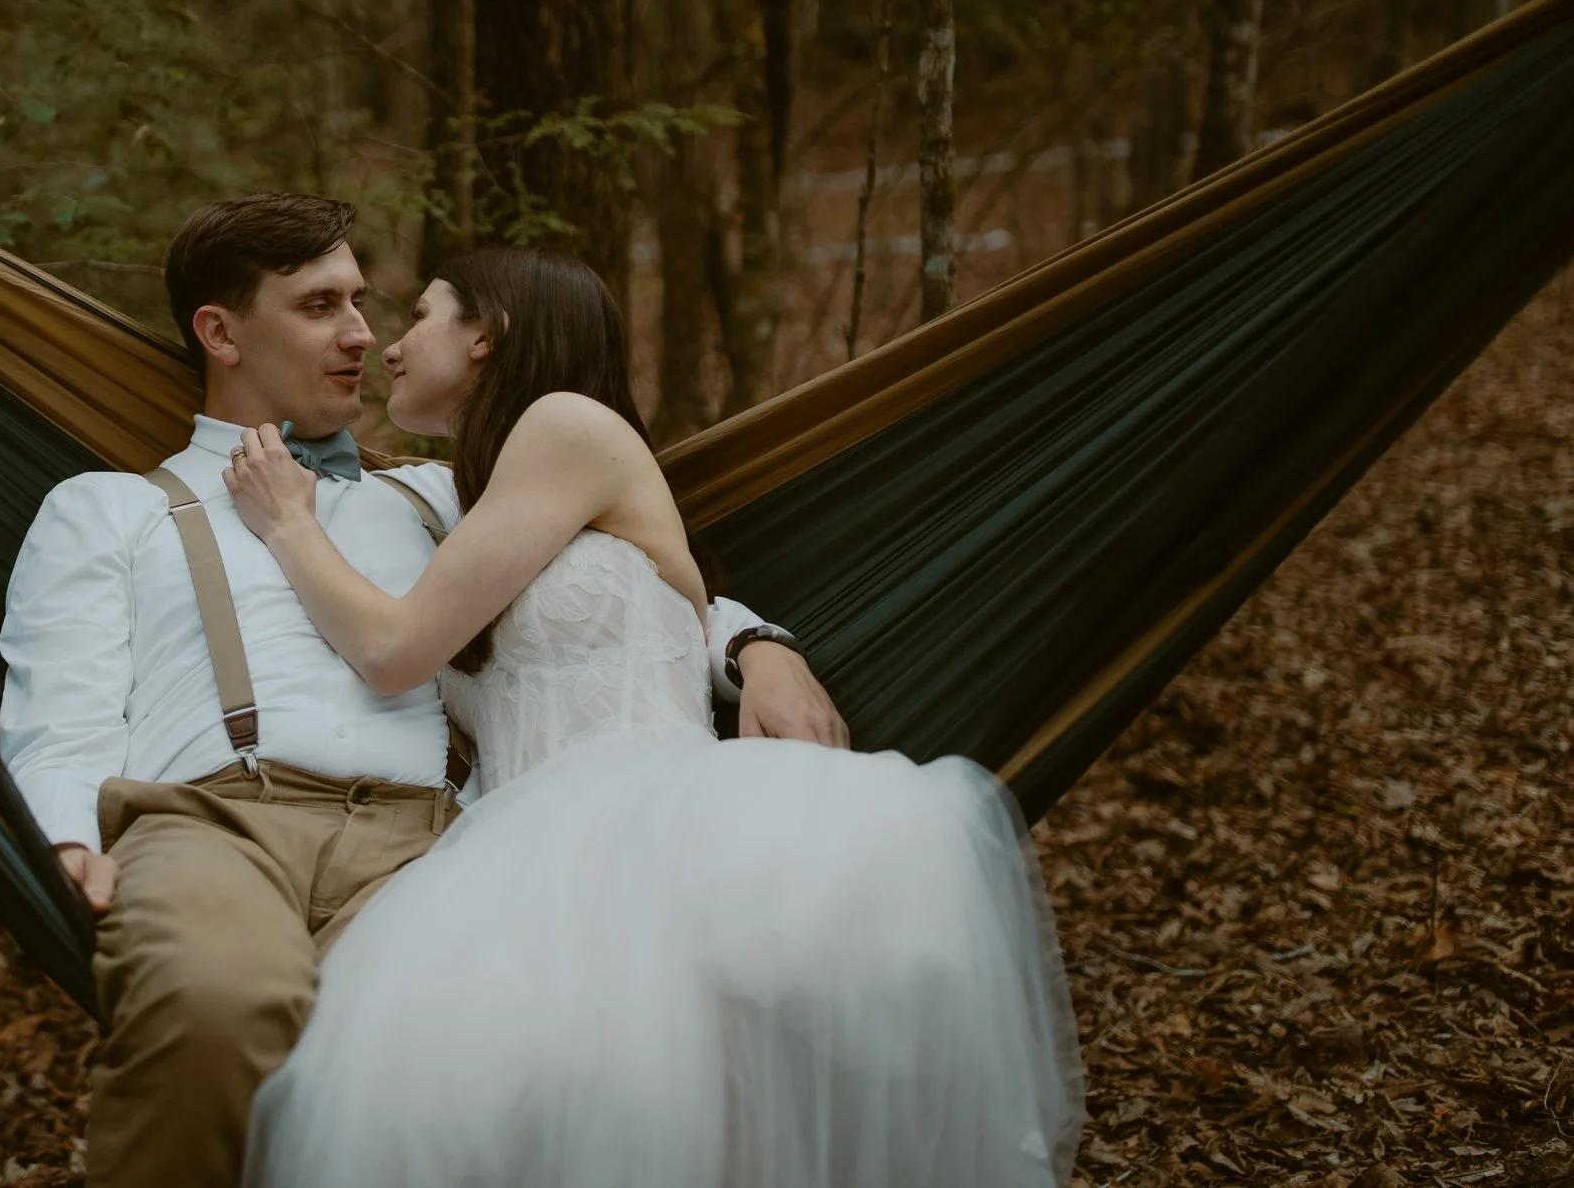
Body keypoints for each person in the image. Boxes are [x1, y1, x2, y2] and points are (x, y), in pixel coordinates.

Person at [0, 197, 846, 1188]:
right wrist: (66, 835)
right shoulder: (107, 507)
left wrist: (759, 642)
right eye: (321, 306)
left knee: (450, 1053)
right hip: (214, 823)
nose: (361, 332)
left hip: (428, 845)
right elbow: (63, 714)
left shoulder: (446, 495)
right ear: (219, 331)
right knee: (221, 1006)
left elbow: (616, 590)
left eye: (361, 302)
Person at [229, 247, 1085, 1188]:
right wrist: (750, 642)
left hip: (652, 817)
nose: (392, 343)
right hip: (514, 846)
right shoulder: (457, 496)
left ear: (487, 332)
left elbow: (396, 648)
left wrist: (289, 526)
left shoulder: (565, 425)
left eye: (421, 314)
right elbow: (664, 602)